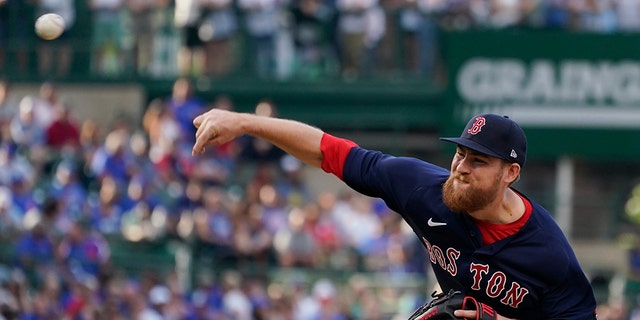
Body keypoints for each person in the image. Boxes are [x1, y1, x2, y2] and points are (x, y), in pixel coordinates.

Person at [191, 110, 598, 319]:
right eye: (460, 153)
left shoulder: (548, 253)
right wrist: (244, 123)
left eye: (478, 161)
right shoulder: (422, 189)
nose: (461, 167)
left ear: (511, 174)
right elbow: (328, 151)